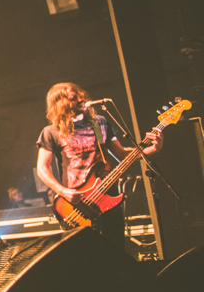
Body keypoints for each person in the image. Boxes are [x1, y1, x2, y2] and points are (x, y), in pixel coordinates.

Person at [35, 82, 162, 245]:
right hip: (78, 204)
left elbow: (122, 155)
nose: (81, 99)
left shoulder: (99, 124)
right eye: (73, 98)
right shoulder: (52, 132)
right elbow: (42, 168)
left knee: (115, 248)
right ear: (61, 104)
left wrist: (153, 149)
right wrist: (63, 191)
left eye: (80, 95)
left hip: (108, 195)